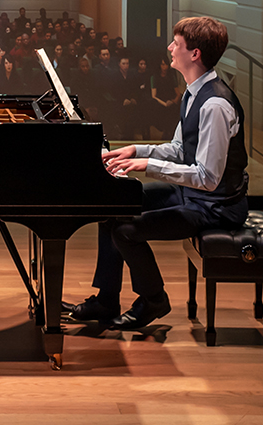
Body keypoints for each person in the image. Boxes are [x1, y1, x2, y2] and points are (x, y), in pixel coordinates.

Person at [64, 17, 248, 330]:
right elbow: (179, 149)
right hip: (193, 196)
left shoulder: (215, 104)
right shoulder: (193, 92)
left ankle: (154, 300)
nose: (169, 48)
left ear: (195, 54)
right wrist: (138, 150)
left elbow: (207, 177)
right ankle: (107, 299)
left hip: (215, 207)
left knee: (127, 231)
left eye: (176, 43)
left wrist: (148, 167)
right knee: (113, 208)